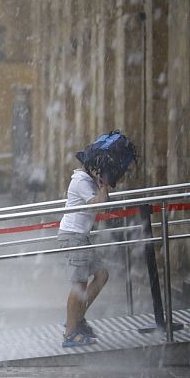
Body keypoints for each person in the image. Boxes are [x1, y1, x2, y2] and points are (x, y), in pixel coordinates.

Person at [59, 130, 136, 348]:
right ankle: (70, 332)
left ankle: (77, 318)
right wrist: (103, 185)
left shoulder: (87, 180)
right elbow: (99, 204)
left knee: (101, 275)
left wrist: (105, 185)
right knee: (79, 286)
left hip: (80, 237)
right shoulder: (81, 181)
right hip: (73, 237)